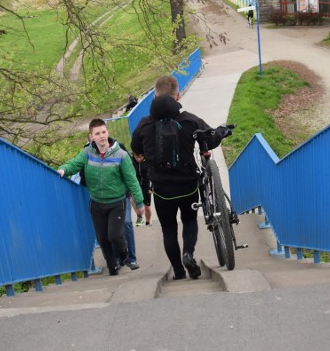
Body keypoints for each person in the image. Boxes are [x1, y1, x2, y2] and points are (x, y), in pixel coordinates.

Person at [131, 76, 228, 280]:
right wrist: (222, 130)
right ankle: (188, 253)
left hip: (162, 190)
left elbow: (136, 150)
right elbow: (209, 139)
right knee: (189, 220)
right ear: (178, 95)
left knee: (168, 230)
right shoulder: (188, 120)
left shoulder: (144, 125)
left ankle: (178, 271)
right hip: (188, 186)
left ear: (154, 97)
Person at [58, 119, 144, 276]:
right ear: (91, 137)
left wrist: (139, 202)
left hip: (117, 202)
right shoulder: (87, 153)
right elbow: (74, 164)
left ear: (108, 133)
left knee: (114, 235)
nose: (102, 136)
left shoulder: (121, 155)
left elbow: (132, 180)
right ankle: (113, 268)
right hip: (97, 203)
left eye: (104, 132)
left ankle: (125, 253)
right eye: (97, 133)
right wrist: (64, 169)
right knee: (102, 238)